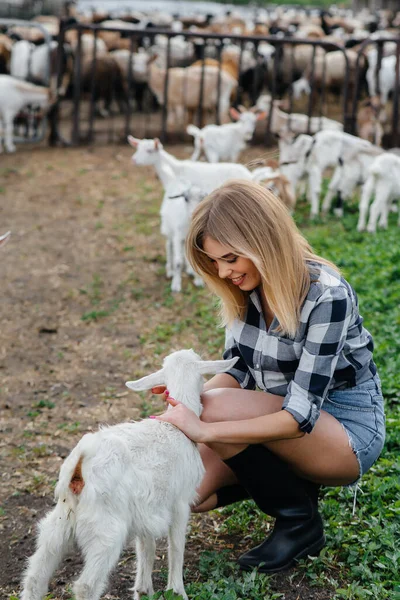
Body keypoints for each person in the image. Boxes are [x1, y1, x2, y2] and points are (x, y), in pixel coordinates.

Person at [150, 180, 386, 574]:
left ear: (262, 242)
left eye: (230, 259)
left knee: (218, 409)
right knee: (187, 494)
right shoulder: (246, 290)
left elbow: (299, 417)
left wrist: (205, 428)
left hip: (346, 431)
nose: (224, 273)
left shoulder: (326, 295)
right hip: (289, 421)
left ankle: (299, 522)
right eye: (214, 263)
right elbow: (238, 369)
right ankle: (291, 481)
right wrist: (184, 402)